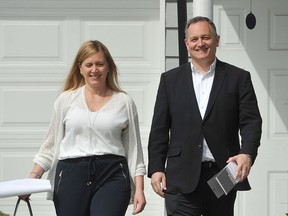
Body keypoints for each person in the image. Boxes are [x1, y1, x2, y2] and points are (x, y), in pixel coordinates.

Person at [147, 16, 262, 216]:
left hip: (223, 173)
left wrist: (247, 153)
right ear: (186, 44)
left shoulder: (238, 78)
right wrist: (156, 168)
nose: (200, 43)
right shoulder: (170, 80)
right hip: (180, 175)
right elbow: (159, 129)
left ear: (217, 40)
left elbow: (251, 122)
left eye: (206, 37)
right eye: (194, 39)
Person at [21, 40, 146, 216]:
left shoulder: (124, 102)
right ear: (80, 68)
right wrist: (32, 180)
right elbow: (49, 147)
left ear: (108, 67)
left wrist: (139, 189)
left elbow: (134, 152)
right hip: (71, 174)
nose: (94, 70)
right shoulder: (65, 100)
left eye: (100, 64)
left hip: (112, 174)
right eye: (89, 65)